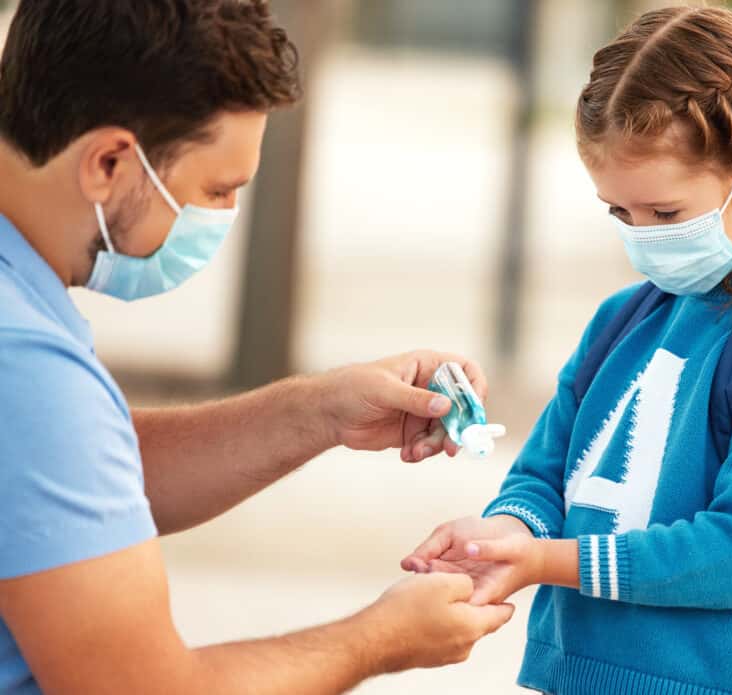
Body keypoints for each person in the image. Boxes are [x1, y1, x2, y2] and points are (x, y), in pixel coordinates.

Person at [0, 2, 512, 693]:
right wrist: (382, 638)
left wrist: (323, 410)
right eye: (214, 191)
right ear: (110, 161)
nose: (220, 220)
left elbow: (67, 481)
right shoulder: (25, 364)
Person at [402, 6, 732, 695]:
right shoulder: (621, 318)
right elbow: (543, 475)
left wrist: (544, 559)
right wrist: (496, 539)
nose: (643, 238)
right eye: (619, 213)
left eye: (664, 214)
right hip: (575, 674)